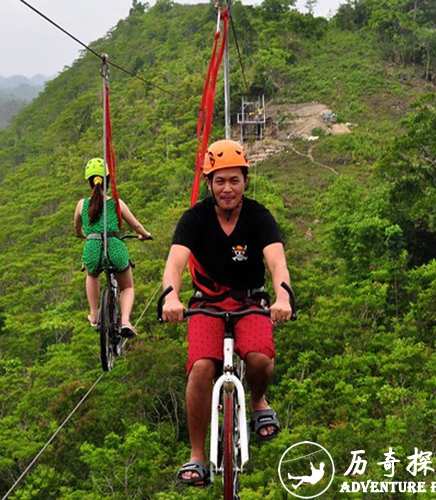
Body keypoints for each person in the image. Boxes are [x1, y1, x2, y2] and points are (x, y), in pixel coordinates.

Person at [160, 139, 293, 485]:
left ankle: (259, 402)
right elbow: (174, 264)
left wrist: (283, 298)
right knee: (202, 368)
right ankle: (197, 456)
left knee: (261, 359)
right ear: (209, 184)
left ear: (245, 181)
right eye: (219, 181)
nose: (227, 188)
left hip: (250, 301)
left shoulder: (259, 216)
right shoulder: (195, 219)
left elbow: (277, 263)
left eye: (234, 180)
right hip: (207, 303)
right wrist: (170, 297)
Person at [74, 158, 151, 337]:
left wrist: (83, 235)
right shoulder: (117, 203)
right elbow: (136, 226)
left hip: (92, 247)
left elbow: (77, 227)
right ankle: (125, 321)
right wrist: (145, 235)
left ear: (89, 181)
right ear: (107, 180)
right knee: (128, 287)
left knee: (92, 274)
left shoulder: (82, 205)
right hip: (114, 247)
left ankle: (94, 315)